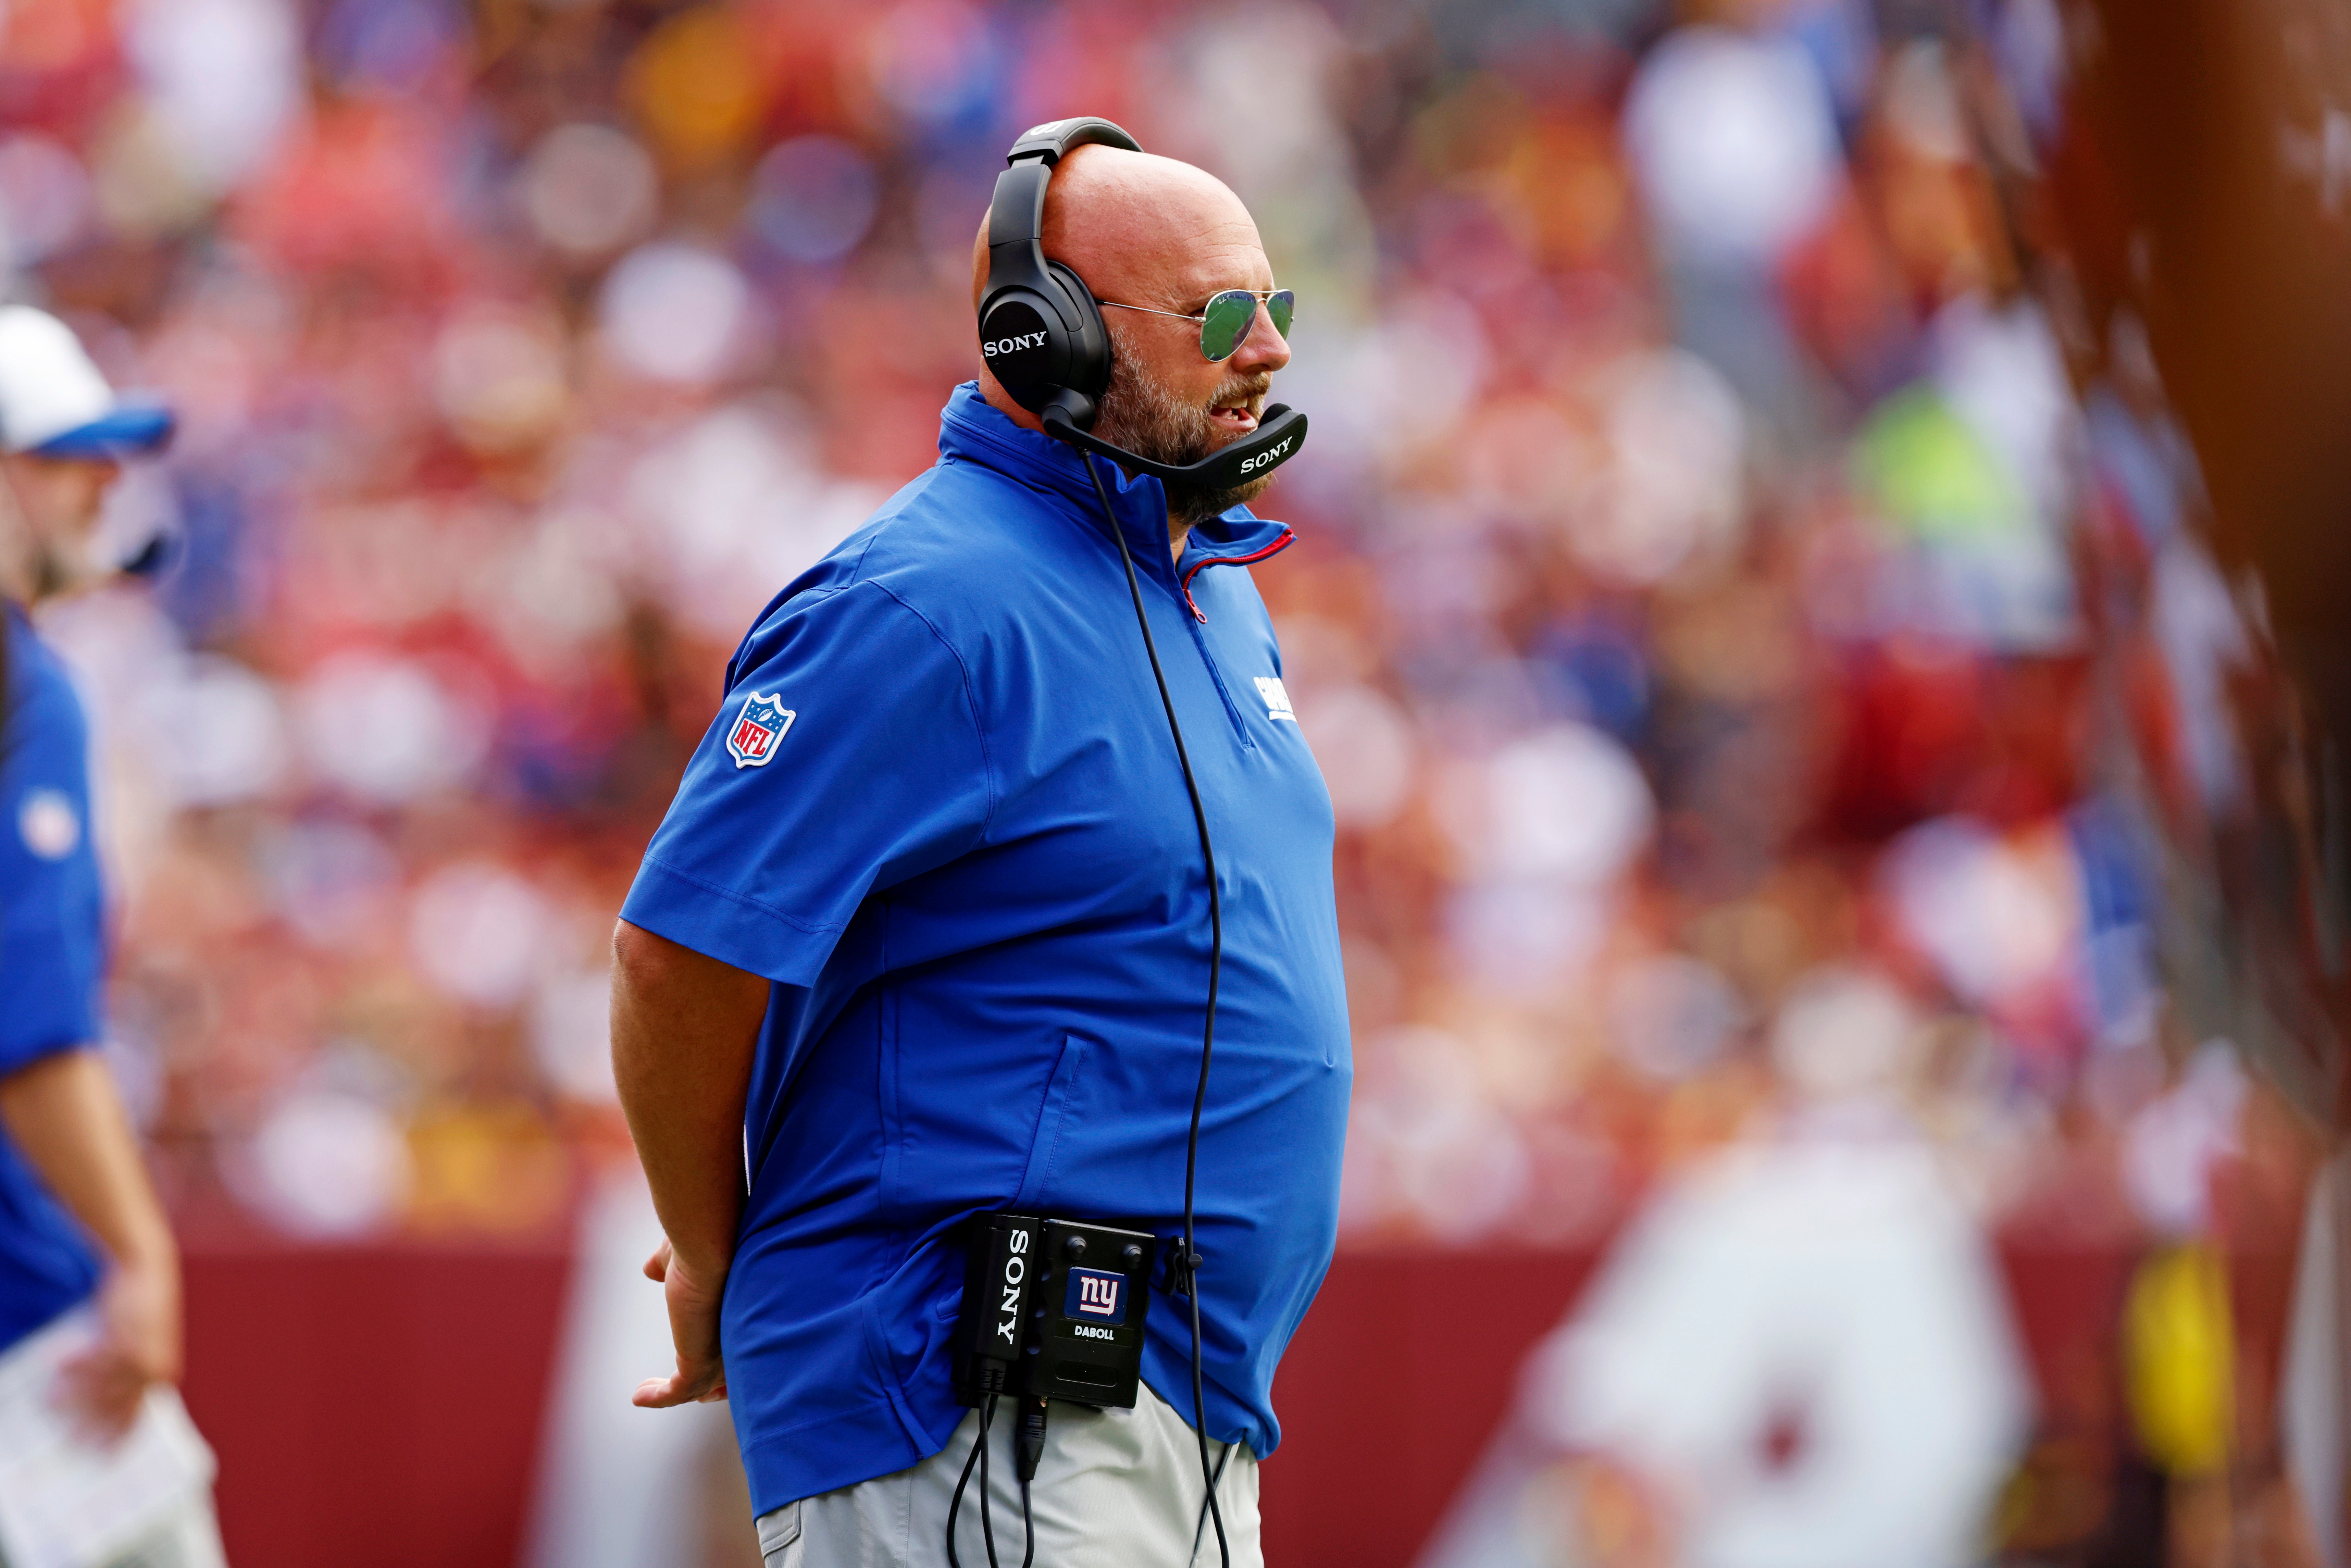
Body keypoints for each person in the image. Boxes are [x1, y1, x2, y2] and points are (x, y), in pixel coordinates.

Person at [610, 140, 1349, 1567]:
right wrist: (708, 1245)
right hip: (973, 1401)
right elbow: (681, 948)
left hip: (1170, 1407)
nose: (1264, 352)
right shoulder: (919, 602)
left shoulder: (1208, 590)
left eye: (1276, 309)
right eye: (1216, 314)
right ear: (1044, 333)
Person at [0, 304, 224, 1566]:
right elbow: (28, 1028)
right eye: (63, 455)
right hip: (27, 1320)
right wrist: (137, 1254)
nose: (103, 482)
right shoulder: (22, 693)